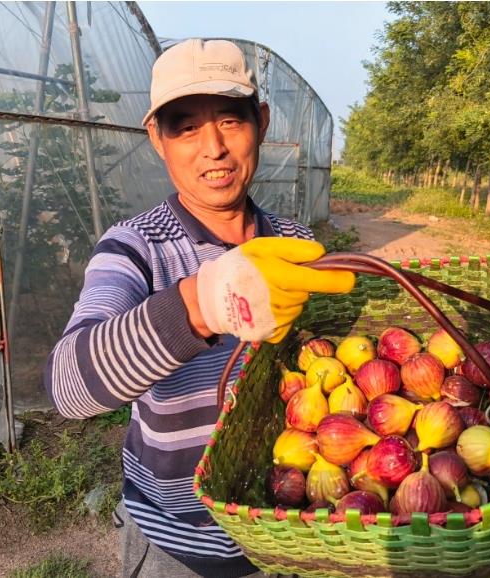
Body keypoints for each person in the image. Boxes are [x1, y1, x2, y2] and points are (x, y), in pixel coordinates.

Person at [45, 38, 354, 578]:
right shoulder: (136, 247)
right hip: (177, 545)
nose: (213, 147)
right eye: (186, 127)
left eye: (230, 121)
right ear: (157, 139)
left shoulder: (295, 243)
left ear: (260, 122)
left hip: (289, 531)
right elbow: (68, 386)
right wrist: (204, 304)